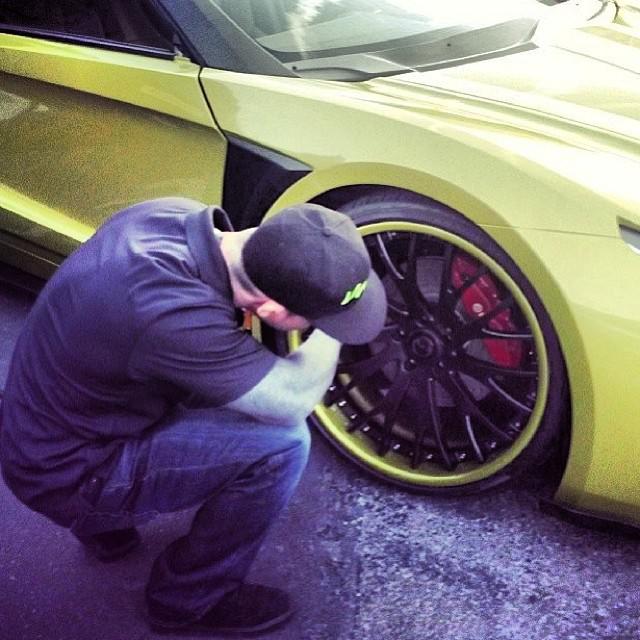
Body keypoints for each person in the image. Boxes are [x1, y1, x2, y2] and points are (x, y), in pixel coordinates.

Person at [0, 197, 387, 636]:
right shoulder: (171, 313)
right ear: (273, 311)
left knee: (206, 381)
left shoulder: (169, 215)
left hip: (42, 424)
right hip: (64, 474)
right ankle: (187, 599)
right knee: (282, 445)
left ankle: (107, 531)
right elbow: (293, 400)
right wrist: (334, 328)